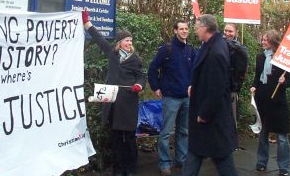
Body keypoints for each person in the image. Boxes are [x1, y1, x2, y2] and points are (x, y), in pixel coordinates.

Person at [82, 10, 145, 176]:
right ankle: (118, 170)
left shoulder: (136, 59)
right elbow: (99, 39)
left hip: (129, 105)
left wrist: (139, 85)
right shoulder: (112, 54)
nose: (129, 43)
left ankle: (130, 170)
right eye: (126, 40)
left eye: (130, 40)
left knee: (129, 140)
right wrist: (87, 24)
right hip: (113, 105)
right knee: (116, 139)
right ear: (119, 43)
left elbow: (141, 76)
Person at [182, 14, 238, 176]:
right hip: (208, 116)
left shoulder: (216, 51)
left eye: (197, 27)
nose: (195, 31)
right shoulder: (212, 45)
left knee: (221, 158)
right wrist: (195, 85)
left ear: (205, 28)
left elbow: (217, 87)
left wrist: (205, 113)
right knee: (196, 153)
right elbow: (207, 77)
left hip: (210, 117)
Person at [148, 20, 196, 176]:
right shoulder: (166, 49)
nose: (184, 31)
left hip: (187, 98)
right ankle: (164, 163)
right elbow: (153, 68)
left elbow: (196, 71)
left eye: (186, 29)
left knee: (184, 131)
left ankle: (181, 160)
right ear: (175, 31)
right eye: (181, 29)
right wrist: (155, 87)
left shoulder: (191, 50)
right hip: (170, 98)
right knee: (166, 132)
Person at [250, 30, 290, 176]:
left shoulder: (282, 58)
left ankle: (284, 167)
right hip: (262, 100)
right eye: (262, 39)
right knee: (263, 134)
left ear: (274, 41)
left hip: (278, 102)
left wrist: (284, 81)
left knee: (282, 137)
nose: (262, 42)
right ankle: (261, 163)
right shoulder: (260, 57)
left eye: (265, 40)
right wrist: (254, 85)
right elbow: (257, 76)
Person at [223, 23, 249, 127]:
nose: (227, 33)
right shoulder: (219, 45)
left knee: (230, 121)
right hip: (217, 88)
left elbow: (242, 71)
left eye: (230, 31)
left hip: (230, 89)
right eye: (226, 30)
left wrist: (235, 87)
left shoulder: (240, 49)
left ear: (236, 33)